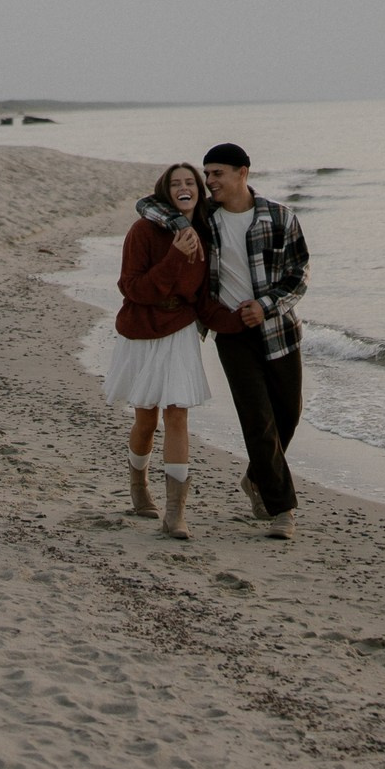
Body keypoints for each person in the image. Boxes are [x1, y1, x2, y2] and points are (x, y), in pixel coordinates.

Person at [135, 142, 309, 539]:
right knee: (258, 421)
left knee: (288, 415)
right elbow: (146, 204)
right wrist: (181, 225)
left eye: (217, 173)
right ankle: (282, 510)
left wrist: (265, 306)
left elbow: (299, 276)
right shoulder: (203, 219)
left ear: (242, 173)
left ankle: (256, 477)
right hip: (231, 333)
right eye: (207, 173)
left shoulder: (279, 217)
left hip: (278, 329)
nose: (209, 181)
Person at [108, 162, 214, 539]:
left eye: (191, 182)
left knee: (177, 415)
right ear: (166, 192)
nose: (184, 187)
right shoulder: (143, 231)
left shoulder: (205, 232)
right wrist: (173, 256)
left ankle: (175, 513)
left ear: (199, 190)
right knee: (147, 420)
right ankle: (139, 484)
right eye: (176, 184)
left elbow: (204, 296)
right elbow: (132, 288)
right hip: (141, 329)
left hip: (181, 329)